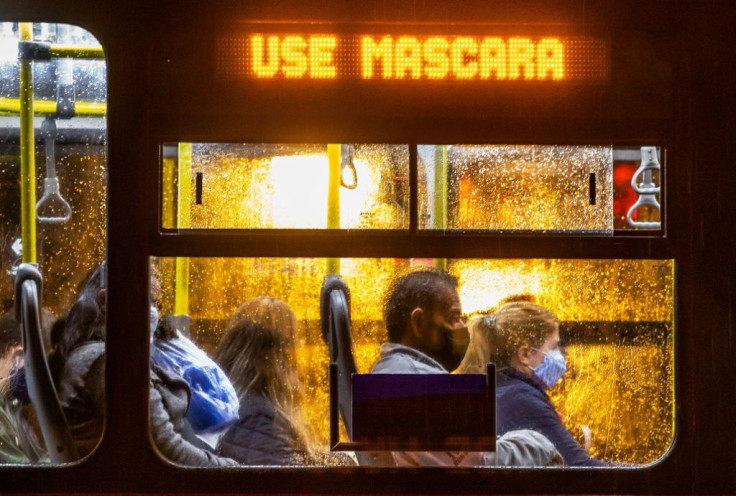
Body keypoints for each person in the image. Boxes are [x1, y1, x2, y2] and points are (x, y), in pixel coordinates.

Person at [371, 269, 562, 467]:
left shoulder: (389, 373)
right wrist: (539, 444)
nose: (462, 326)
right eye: (453, 317)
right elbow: (478, 462)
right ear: (419, 322)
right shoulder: (422, 386)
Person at [465, 301, 613, 467]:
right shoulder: (521, 399)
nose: (560, 355)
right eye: (554, 346)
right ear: (525, 354)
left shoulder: (495, 389)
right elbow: (582, 469)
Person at [214, 297, 333, 466]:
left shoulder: (238, 401)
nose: (300, 349)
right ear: (278, 355)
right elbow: (292, 482)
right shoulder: (259, 417)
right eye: (295, 342)